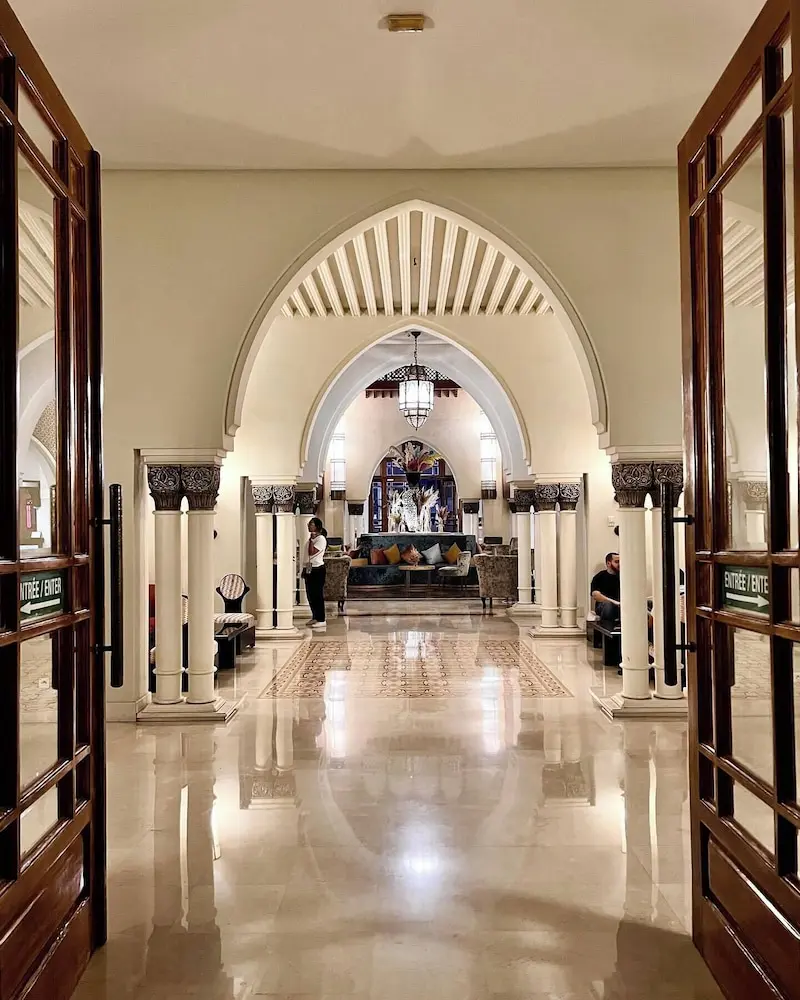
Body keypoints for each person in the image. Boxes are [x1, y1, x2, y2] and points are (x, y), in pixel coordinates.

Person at [304, 517, 328, 631]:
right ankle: (315, 616)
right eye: (309, 524)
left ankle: (321, 619)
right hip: (309, 568)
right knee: (310, 595)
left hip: (317, 569)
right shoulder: (311, 539)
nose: (309, 526)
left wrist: (311, 540)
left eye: (311, 524)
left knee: (317, 594)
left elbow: (311, 552)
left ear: (317, 526)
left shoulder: (321, 539)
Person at [591, 552, 620, 627]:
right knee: (608, 605)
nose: (619, 564)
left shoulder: (623, 576)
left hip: (622, 606)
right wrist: (615, 602)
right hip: (604, 606)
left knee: (646, 603)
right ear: (608, 563)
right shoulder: (600, 576)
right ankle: (608, 630)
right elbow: (596, 595)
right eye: (616, 562)